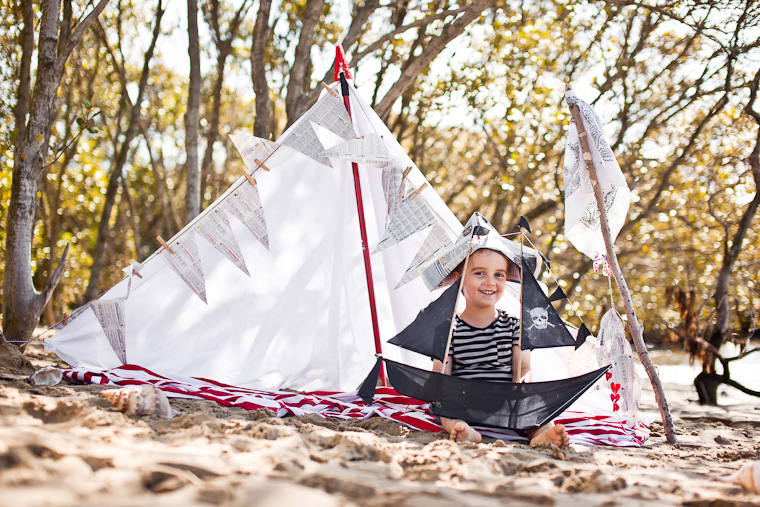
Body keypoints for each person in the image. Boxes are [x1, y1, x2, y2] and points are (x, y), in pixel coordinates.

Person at [431, 247, 570, 448]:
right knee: (441, 404)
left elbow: (523, 368)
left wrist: (522, 383)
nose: (490, 282)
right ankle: (461, 427)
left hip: (504, 402)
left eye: (499, 275)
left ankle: (542, 432)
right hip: (464, 401)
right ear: (459, 278)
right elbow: (441, 373)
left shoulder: (515, 325)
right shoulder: (447, 328)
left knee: (535, 405)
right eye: (480, 273)